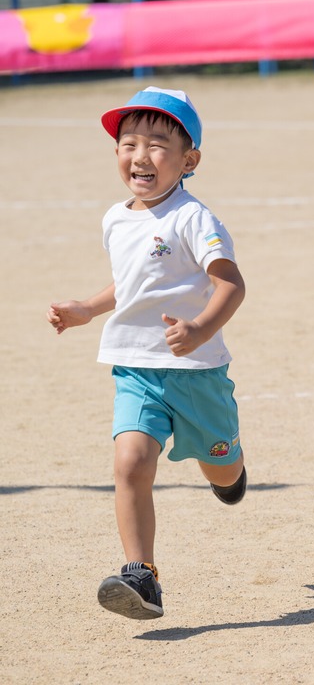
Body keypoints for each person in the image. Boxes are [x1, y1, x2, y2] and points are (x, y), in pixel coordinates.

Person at [47, 87, 248, 620]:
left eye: (158, 145)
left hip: (196, 371)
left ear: (189, 161)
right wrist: (87, 309)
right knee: (131, 462)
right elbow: (130, 284)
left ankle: (230, 467)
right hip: (136, 367)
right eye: (129, 142)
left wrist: (201, 327)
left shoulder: (193, 218)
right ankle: (142, 575)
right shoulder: (116, 218)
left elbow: (231, 284)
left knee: (221, 471)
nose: (141, 155)